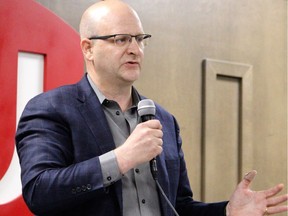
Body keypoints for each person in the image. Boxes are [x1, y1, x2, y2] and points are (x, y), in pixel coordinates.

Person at [15, 1, 288, 216]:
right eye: (121, 39)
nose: (135, 49)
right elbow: (40, 192)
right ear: (88, 48)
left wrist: (227, 211)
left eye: (140, 38)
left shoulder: (163, 119)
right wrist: (121, 159)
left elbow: (178, 206)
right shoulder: (52, 108)